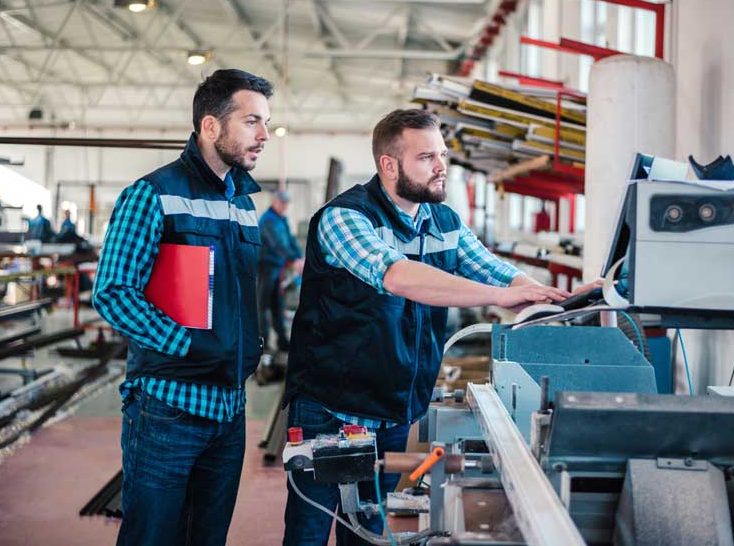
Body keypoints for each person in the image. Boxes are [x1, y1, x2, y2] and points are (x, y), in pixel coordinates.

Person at [282, 109, 593, 546]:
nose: (441, 166)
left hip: (392, 406)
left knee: (370, 528)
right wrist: (498, 298)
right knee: (308, 531)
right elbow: (398, 276)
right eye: (427, 156)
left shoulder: (442, 222)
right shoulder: (346, 218)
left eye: (441, 154)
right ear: (389, 165)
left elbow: (493, 270)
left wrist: (559, 296)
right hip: (332, 406)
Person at [92, 69, 273, 546]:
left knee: (206, 538)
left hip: (231, 408)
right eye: (252, 121)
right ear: (210, 126)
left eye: (266, 122)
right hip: (168, 408)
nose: (265, 135)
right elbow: (113, 292)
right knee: (153, 537)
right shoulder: (151, 195)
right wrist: (187, 344)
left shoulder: (244, 204)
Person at [257, 190, 303, 351]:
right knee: (262, 306)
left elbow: (290, 240)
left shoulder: (281, 219)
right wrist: (293, 259)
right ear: (275, 201)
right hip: (265, 268)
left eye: (287, 204)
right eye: (282, 203)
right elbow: (276, 244)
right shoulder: (268, 220)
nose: (285, 206)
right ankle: (262, 344)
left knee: (277, 304)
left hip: (277, 268)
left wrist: (299, 257)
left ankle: (282, 342)